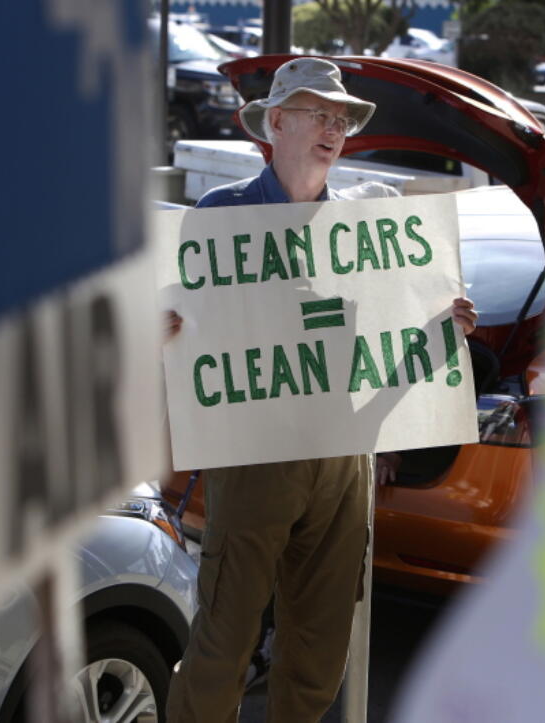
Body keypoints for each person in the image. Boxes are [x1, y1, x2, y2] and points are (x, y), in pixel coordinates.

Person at [164, 57, 477, 722]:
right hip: (253, 457)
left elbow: (382, 348)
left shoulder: (369, 229)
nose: (334, 127)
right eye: (319, 113)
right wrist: (164, 325)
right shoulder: (222, 215)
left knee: (318, 655)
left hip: (342, 464)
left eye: (342, 118)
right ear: (275, 123)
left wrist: (441, 327)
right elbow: (182, 334)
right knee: (224, 642)